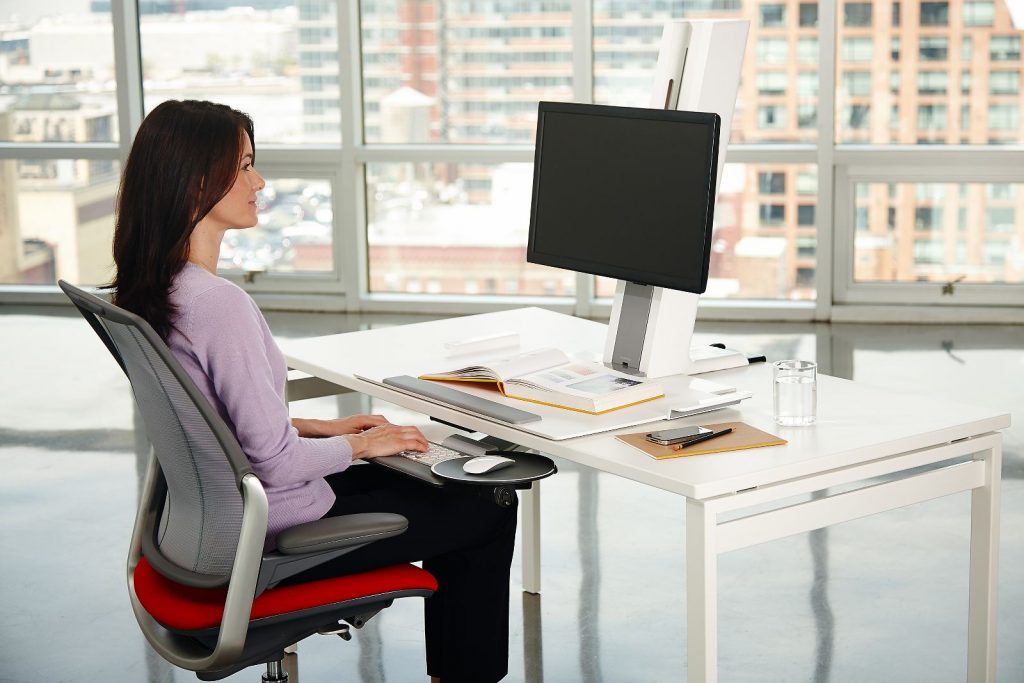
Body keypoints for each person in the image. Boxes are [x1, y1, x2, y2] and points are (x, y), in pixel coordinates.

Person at [109, 99, 517, 683]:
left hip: (200, 534)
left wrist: (322, 429)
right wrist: (363, 447)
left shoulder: (155, 289)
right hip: (267, 538)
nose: (259, 182)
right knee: (488, 506)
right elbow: (275, 464)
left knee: (427, 481)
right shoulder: (218, 305)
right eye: (244, 166)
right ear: (196, 181)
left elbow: (208, 422)